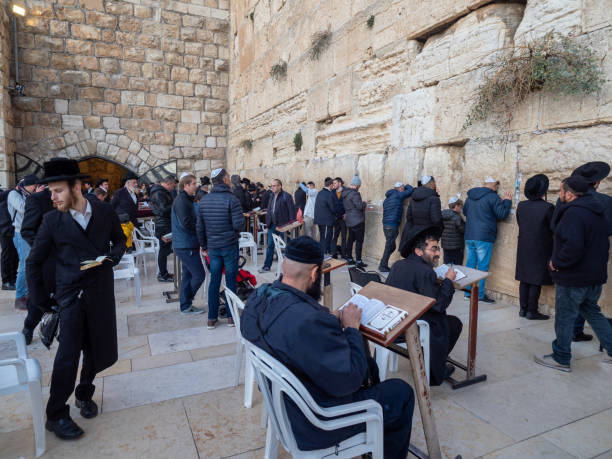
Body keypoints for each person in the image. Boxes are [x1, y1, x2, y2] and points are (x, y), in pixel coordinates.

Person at [241, 236, 415, 458]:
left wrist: (325, 317)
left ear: (285, 266)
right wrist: (351, 328)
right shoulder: (307, 321)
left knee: (371, 371)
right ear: (314, 274)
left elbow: (290, 325)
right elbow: (348, 380)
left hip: (284, 405)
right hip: (315, 421)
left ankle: (376, 440)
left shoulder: (259, 296)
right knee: (400, 392)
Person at [27, 158, 126, 440]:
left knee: (97, 349)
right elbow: (34, 262)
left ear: (77, 187)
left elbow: (119, 241)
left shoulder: (105, 212)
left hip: (100, 292)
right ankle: (56, 414)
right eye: (51, 191)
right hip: (71, 295)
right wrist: (42, 302)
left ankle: (84, 394)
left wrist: (111, 258)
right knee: (67, 355)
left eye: (57, 190)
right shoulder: (51, 219)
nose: (52, 196)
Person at [535, 176, 612, 372]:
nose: (559, 194)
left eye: (561, 191)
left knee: (565, 317)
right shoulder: (598, 211)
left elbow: (573, 247)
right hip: (594, 275)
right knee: (592, 312)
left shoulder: (574, 214)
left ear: (569, 194)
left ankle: (561, 357)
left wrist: (556, 263)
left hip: (574, 277)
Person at [390, 225, 463, 385]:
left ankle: (427, 357)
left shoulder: (398, 265)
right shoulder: (425, 272)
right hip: (410, 326)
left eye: (438, 249)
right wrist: (448, 281)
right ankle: (433, 368)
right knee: (454, 323)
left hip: (394, 321)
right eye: (434, 249)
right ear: (418, 251)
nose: (438, 254)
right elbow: (439, 305)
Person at [569, 161, 612, 342]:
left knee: (570, 301)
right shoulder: (606, 201)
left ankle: (568, 340)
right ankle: (577, 331)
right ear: (597, 182)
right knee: (589, 303)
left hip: (571, 258)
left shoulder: (569, 198)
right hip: (596, 257)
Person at [197, 168, 244, 329]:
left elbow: (200, 227)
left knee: (214, 281)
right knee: (231, 281)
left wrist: (204, 245)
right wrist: (232, 233)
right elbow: (239, 224)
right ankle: (231, 317)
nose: (230, 180)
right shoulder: (232, 199)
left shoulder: (203, 201)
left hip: (213, 247)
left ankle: (211, 318)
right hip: (229, 246)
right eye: (229, 178)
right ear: (224, 180)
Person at [463, 177, 512, 303]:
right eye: (497, 186)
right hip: (484, 236)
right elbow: (502, 214)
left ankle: (468, 292)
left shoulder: (470, 197)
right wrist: (507, 202)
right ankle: (479, 295)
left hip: (470, 235)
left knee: (470, 264)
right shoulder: (492, 197)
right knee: (482, 267)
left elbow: (465, 212)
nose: (497, 189)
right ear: (494, 186)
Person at [20, 183, 55, 344]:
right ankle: (28, 327)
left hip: (71, 259)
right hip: (47, 258)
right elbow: (27, 230)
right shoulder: (38, 199)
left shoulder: (79, 197)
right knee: (39, 296)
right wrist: (43, 246)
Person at [515, 174, 553, 320]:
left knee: (524, 278)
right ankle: (532, 310)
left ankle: (523, 309)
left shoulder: (522, 206)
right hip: (540, 247)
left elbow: (520, 223)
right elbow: (552, 228)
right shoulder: (548, 207)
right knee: (535, 279)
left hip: (524, 245)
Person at [171, 174, 205, 315]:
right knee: (199, 275)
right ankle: (186, 301)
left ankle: (185, 306)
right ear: (185, 185)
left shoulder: (186, 199)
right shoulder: (182, 200)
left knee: (188, 276)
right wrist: (199, 231)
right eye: (193, 183)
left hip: (186, 243)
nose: (196, 186)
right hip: (186, 244)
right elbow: (186, 223)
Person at [8, 174, 40, 309]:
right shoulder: (13, 194)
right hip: (20, 233)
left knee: (30, 263)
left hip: (29, 232)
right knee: (24, 264)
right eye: (35, 186)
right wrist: (35, 197)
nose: (36, 188)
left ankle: (28, 294)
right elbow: (23, 208)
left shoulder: (27, 194)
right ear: (29, 185)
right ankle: (20, 297)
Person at [260, 179, 296, 273]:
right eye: (271, 186)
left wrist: (290, 226)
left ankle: (291, 267)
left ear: (280, 186)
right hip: (272, 225)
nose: (272, 187)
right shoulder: (271, 195)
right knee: (270, 246)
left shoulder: (286, 196)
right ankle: (267, 266)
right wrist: (268, 225)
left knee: (288, 246)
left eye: (274, 185)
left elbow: (292, 212)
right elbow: (269, 211)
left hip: (284, 226)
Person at [379, 181, 414, 272]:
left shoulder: (387, 198)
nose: (403, 189)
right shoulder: (398, 195)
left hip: (386, 224)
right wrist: (406, 185)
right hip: (392, 224)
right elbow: (411, 190)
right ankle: (383, 266)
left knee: (391, 246)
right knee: (389, 246)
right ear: (400, 188)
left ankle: (383, 262)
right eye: (402, 188)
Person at [150, 176, 176, 283]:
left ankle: (164, 272)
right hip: (163, 226)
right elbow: (162, 210)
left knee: (164, 250)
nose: (173, 188)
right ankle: (163, 274)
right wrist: (175, 204)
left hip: (165, 224)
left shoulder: (162, 192)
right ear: (168, 183)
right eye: (173, 185)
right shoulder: (159, 193)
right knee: (163, 250)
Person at [342, 174, 368, 268]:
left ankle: (349, 258)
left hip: (349, 220)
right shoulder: (355, 194)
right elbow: (359, 206)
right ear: (357, 185)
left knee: (350, 240)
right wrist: (365, 203)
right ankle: (358, 261)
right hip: (358, 220)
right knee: (359, 241)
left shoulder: (345, 193)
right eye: (359, 186)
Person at [0, 186, 18, 291]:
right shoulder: (4, 195)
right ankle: (6, 281)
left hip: (10, 228)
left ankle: (12, 279)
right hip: (4, 229)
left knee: (14, 255)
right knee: (7, 255)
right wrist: (14, 189)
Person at [314, 177, 336, 255]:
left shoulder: (320, 193)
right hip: (326, 220)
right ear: (330, 185)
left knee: (323, 237)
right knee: (325, 238)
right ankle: (323, 255)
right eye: (333, 185)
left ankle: (324, 253)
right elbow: (333, 208)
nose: (333, 186)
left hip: (320, 220)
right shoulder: (329, 194)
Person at [441, 194, 465, 265]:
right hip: (456, 246)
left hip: (445, 245)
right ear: (456, 206)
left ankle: (447, 276)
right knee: (457, 267)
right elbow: (463, 230)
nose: (461, 209)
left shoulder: (443, 215)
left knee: (447, 265)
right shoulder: (456, 217)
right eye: (460, 207)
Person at [331, 177, 347, 259]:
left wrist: (346, 213)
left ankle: (344, 254)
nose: (333, 185)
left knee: (344, 236)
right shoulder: (332, 192)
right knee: (335, 236)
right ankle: (334, 253)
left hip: (343, 218)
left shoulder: (346, 191)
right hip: (336, 218)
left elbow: (349, 203)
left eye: (335, 183)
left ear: (340, 183)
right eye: (333, 183)